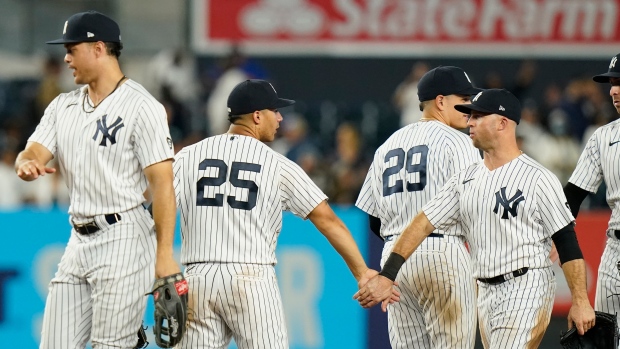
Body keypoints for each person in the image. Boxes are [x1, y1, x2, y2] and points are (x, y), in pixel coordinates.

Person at [355, 89, 596, 348]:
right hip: (485, 291)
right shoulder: (466, 178)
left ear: (503, 123)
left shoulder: (538, 178)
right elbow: (422, 223)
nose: (469, 122)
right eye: (470, 116)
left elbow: (567, 241)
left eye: (478, 116)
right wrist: (388, 274)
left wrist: (580, 301)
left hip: (526, 285)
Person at [173, 79, 397, 348]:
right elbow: (327, 219)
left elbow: (154, 208)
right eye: (274, 111)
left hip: (198, 277)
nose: (280, 117)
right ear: (257, 116)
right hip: (251, 278)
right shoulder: (276, 163)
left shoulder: (187, 156)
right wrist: (362, 272)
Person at [14, 11, 181, 348]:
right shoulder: (63, 106)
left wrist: (164, 256)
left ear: (98, 48)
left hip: (125, 237)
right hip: (78, 241)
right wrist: (27, 164)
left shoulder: (141, 106)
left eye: (72, 48)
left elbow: (163, 184)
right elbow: (32, 152)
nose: (65, 57)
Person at [355, 65, 482, 349]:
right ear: (440, 101)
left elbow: (372, 220)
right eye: (463, 97)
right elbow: (476, 204)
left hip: (394, 259)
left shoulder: (387, 145)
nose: (470, 105)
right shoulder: (460, 142)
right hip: (443, 251)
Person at [564, 52, 620, 327]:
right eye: (611, 84)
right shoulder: (603, 137)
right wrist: (553, 234)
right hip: (615, 251)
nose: (614, 91)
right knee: (607, 338)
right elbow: (572, 195)